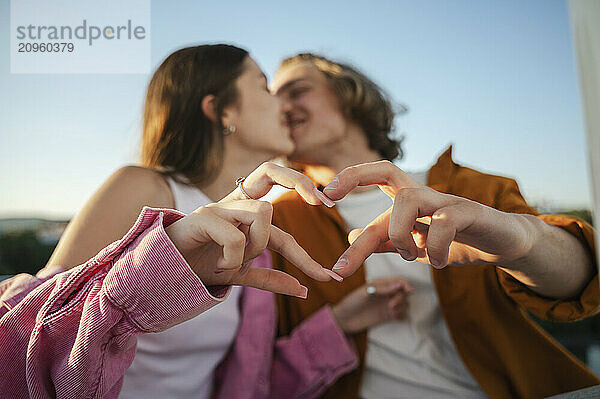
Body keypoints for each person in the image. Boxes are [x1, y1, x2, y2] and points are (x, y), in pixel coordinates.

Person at [32, 44, 410, 398]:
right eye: (265, 87)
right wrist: (155, 270)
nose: (282, 104)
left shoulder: (257, 230)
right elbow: (34, 329)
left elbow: (249, 383)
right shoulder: (144, 187)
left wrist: (339, 324)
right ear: (222, 111)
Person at [267, 52, 600, 399]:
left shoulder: (465, 189)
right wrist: (335, 324)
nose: (281, 108)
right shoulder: (277, 224)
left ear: (350, 93)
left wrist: (522, 243)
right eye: (272, 99)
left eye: (297, 91)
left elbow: (583, 284)